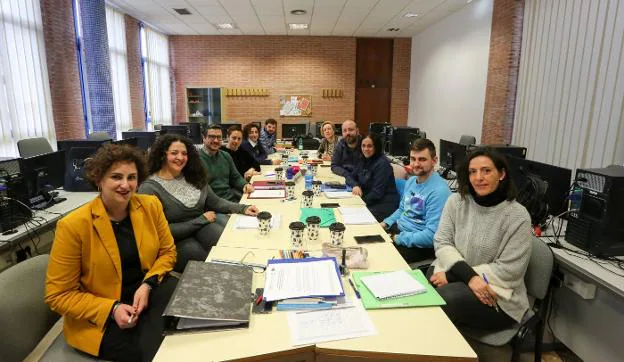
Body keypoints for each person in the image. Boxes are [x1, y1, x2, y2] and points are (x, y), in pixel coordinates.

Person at [45, 144, 177, 362]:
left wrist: (148, 284)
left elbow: (167, 252)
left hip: (148, 292)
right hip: (102, 314)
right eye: (116, 177)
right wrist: (112, 308)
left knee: (183, 332)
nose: (125, 185)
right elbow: (58, 295)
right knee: (150, 353)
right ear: (99, 180)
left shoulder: (150, 205)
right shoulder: (73, 226)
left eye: (132, 177)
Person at [429, 147, 532, 330]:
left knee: (444, 298)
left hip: (498, 294)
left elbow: (509, 271)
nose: (478, 177)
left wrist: (454, 276)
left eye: (486, 171)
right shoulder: (457, 202)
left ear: (501, 174)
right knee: (428, 283)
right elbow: (442, 242)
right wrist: (469, 278)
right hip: (465, 279)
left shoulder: (517, 216)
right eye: (472, 172)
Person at [139, 134, 259, 272]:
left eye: (184, 153)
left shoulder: (193, 176)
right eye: (174, 153)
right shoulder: (149, 188)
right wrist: (200, 220)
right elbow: (159, 231)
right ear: (162, 155)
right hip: (174, 243)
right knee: (215, 260)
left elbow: (216, 202)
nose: (180, 157)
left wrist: (243, 208)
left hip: (202, 226)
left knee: (232, 241)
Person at [381, 139, 452, 263]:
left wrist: (397, 238)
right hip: (400, 231)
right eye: (413, 159)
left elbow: (431, 236)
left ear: (434, 161)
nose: (416, 164)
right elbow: (402, 209)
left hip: (419, 244)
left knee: (378, 258)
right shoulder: (412, 181)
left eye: (422, 159)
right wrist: (385, 224)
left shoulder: (439, 192)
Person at [347, 133, 399, 221]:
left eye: (369, 146)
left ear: (376, 147)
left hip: (383, 205)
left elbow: (377, 193)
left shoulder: (383, 164)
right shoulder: (363, 160)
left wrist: (358, 203)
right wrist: (355, 185)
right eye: (363, 146)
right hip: (368, 200)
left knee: (352, 217)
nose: (366, 149)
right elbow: (349, 177)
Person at [199, 125, 255, 202]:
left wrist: (245, 185)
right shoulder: (196, 160)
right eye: (212, 137)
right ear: (204, 138)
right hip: (214, 204)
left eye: (219, 137)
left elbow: (236, 177)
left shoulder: (225, 155)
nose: (216, 140)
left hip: (231, 198)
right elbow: (204, 195)